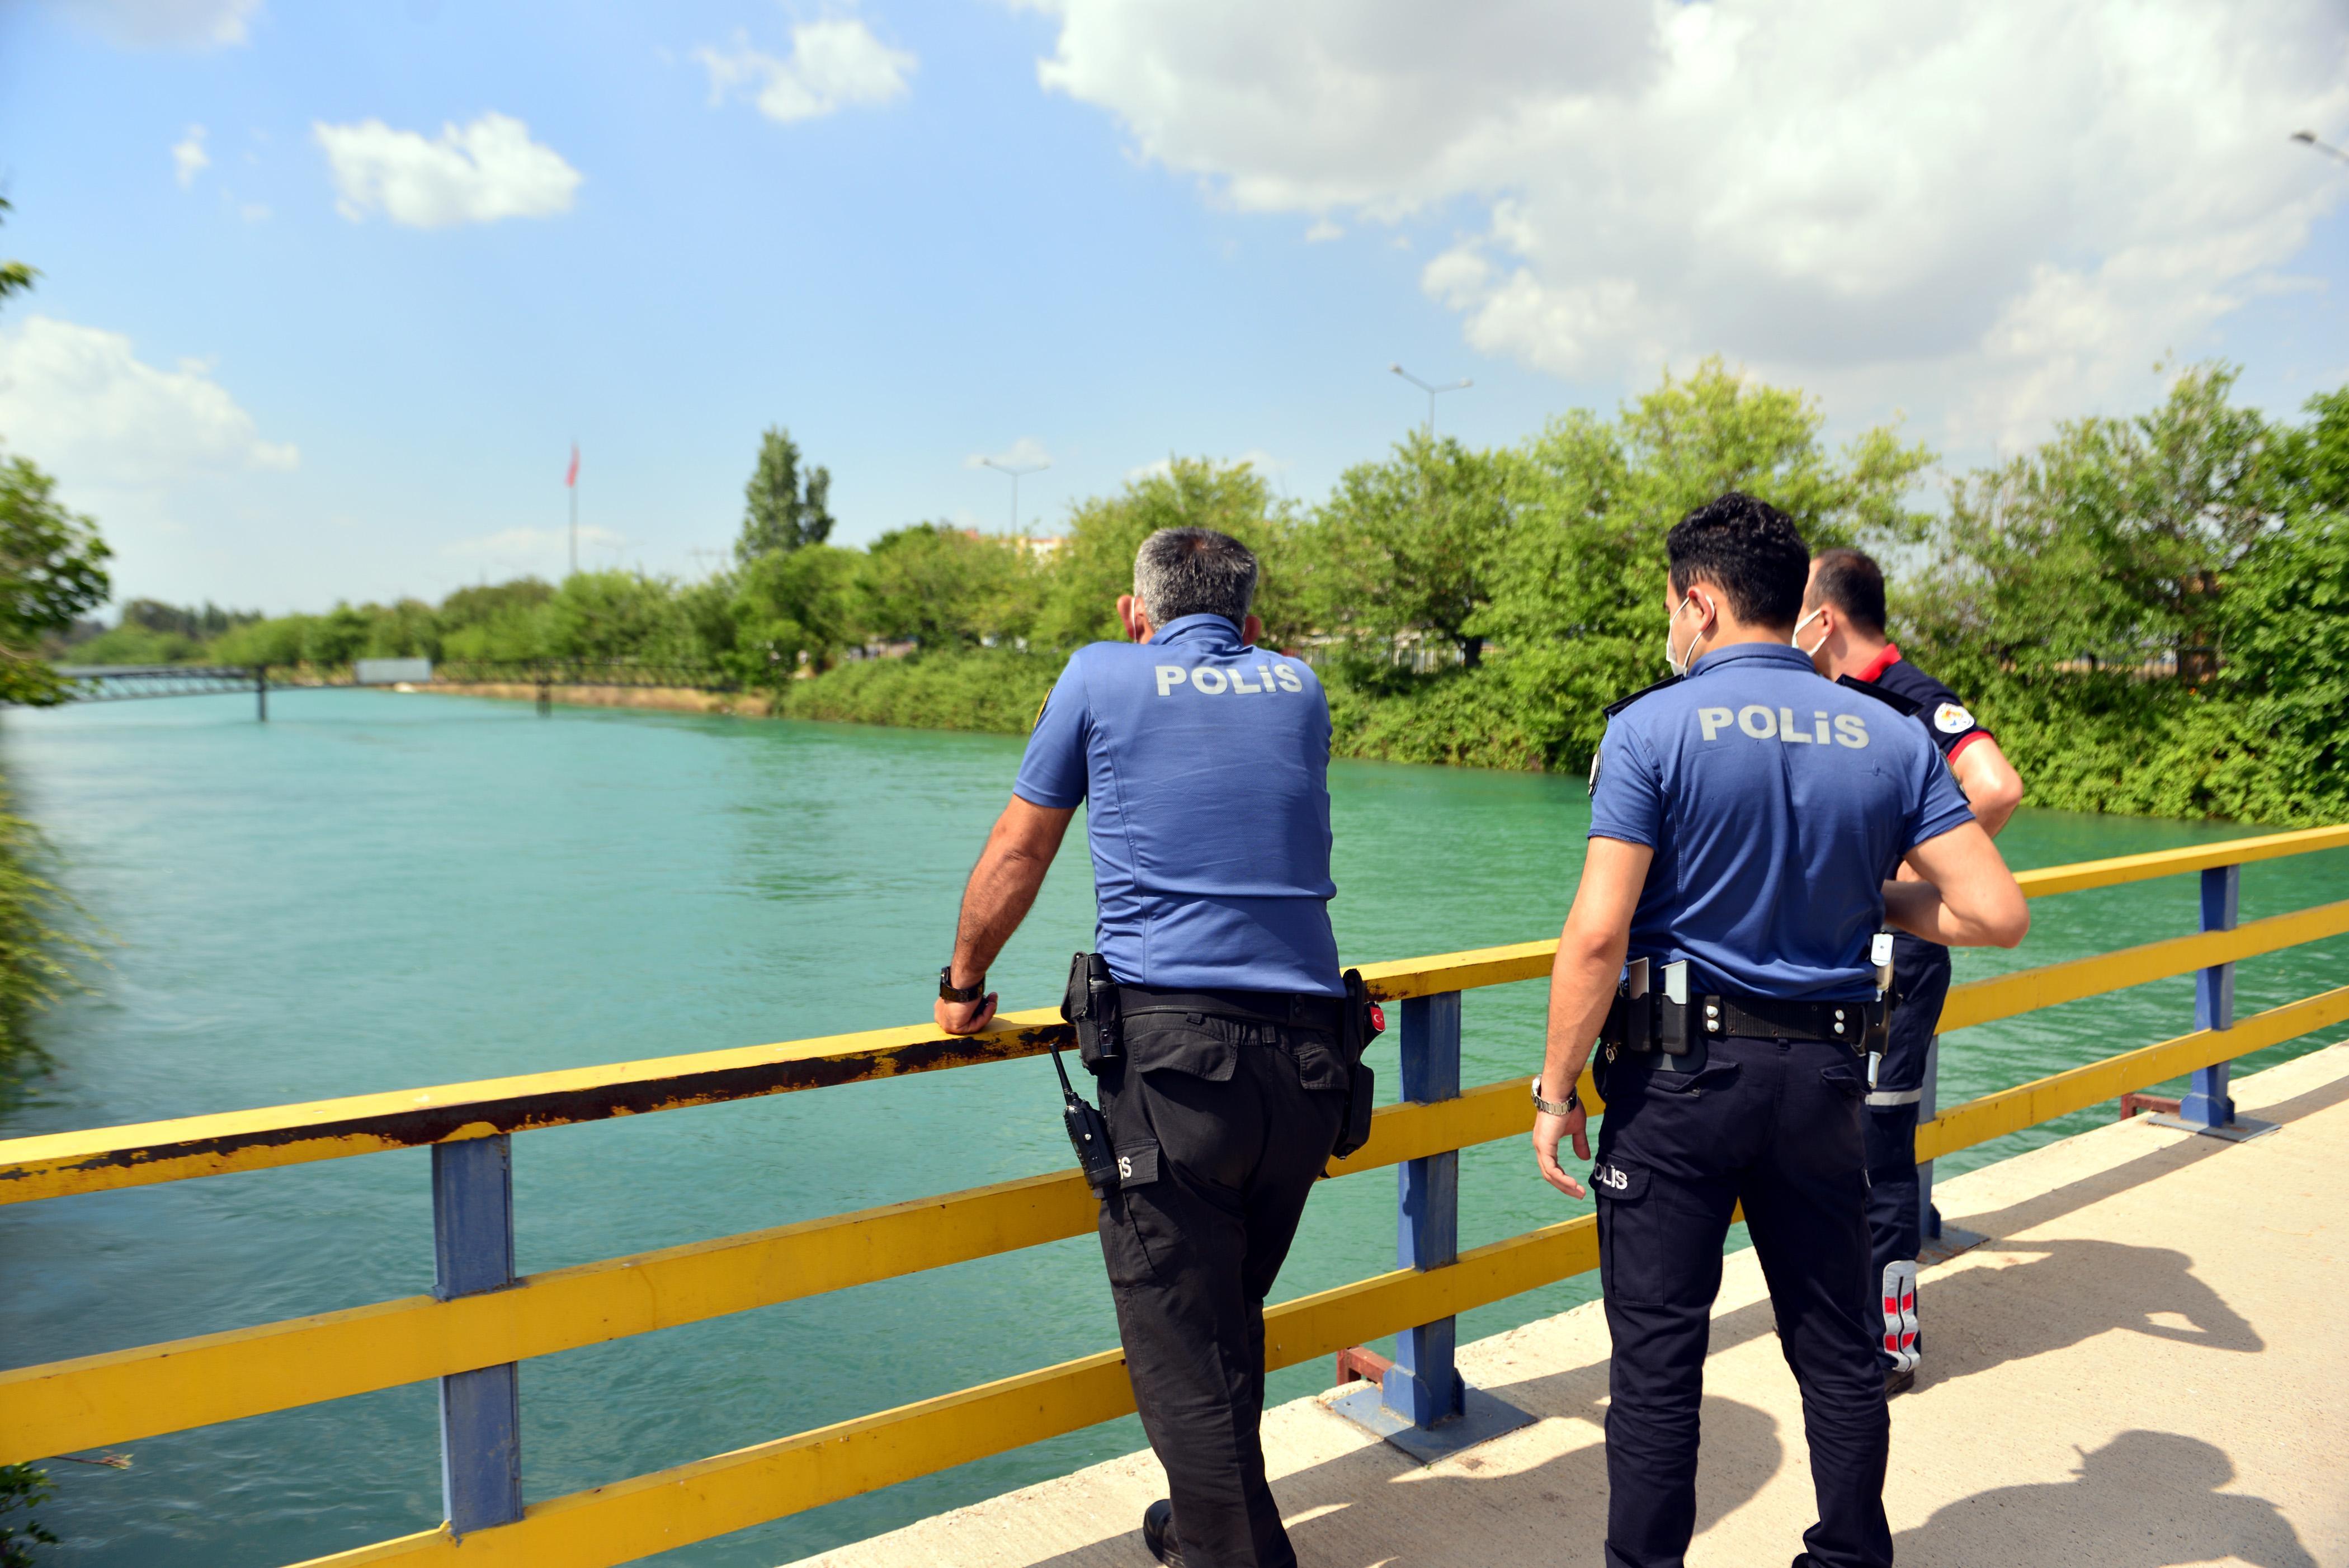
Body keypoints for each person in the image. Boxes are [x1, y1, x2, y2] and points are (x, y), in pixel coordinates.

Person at [1529, 492, 2029, 1568]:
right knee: (1837, 1348)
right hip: (1823, 1088)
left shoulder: (1651, 727)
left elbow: (1597, 935)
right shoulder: (1889, 734)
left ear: (1700, 605)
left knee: (1659, 1365)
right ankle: (1850, 1555)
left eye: (1671, 604)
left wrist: (1556, 1089)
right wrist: (1873, 897)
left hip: (1677, 1091)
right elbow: (1995, 913)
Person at [934, 527, 1349, 1568]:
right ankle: (1208, 1525)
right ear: (1253, 625)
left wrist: (964, 983)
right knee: (1222, 1322)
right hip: (1309, 1067)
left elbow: (1022, 846)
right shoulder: (1299, 686)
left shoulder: (1099, 676)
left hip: (1177, 1070)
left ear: (1136, 614)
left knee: (1176, 1345)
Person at [1797, 547, 2025, 1395]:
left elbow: (1996, 785)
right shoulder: (1836, 698)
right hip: (1852, 960)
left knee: (1878, 1153)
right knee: (1837, 1145)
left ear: (1826, 618)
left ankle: (1891, 1346)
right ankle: (1844, 1320)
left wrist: (1912, 876)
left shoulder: (1908, 696)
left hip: (1896, 958)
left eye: (1796, 608)